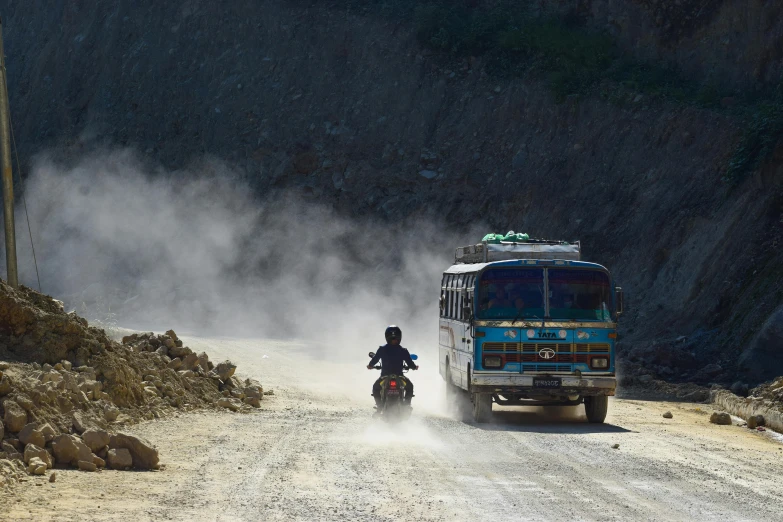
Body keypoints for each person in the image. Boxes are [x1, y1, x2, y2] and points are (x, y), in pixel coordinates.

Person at [367, 325, 418, 408]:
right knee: (410, 387)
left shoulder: (382, 349)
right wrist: (414, 367)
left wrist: (370, 366)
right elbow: (410, 363)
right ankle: (407, 405)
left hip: (384, 376)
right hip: (400, 376)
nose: (394, 340)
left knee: (376, 388)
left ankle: (379, 406)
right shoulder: (403, 350)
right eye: (393, 339)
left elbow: (375, 359)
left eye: (395, 339)